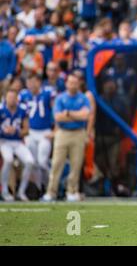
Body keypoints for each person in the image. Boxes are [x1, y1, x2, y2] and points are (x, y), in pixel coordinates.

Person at [42, 74, 91, 202]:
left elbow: (85, 115)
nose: (72, 85)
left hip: (78, 132)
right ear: (66, 83)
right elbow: (57, 117)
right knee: (56, 163)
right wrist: (76, 115)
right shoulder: (60, 98)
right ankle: (51, 192)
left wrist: (68, 113)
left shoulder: (83, 98)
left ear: (78, 84)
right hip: (62, 132)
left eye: (75, 82)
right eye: (70, 82)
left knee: (76, 164)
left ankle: (72, 191)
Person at [18, 74, 55, 193]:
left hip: (45, 131)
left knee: (42, 161)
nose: (31, 85)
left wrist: (55, 130)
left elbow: (55, 110)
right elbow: (22, 114)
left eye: (33, 82)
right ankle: (40, 189)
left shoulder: (48, 92)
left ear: (39, 82)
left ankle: (51, 187)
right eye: (29, 82)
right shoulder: (24, 95)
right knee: (33, 163)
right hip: (31, 132)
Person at [0, 89, 34, 201]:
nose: (11, 100)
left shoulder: (22, 110)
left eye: (14, 98)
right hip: (4, 141)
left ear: (17, 99)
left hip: (17, 141)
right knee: (8, 160)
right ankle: (4, 191)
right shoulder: (1, 110)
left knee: (30, 161)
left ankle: (21, 192)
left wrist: (16, 131)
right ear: (5, 99)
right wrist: (3, 131)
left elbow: (27, 130)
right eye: (9, 98)